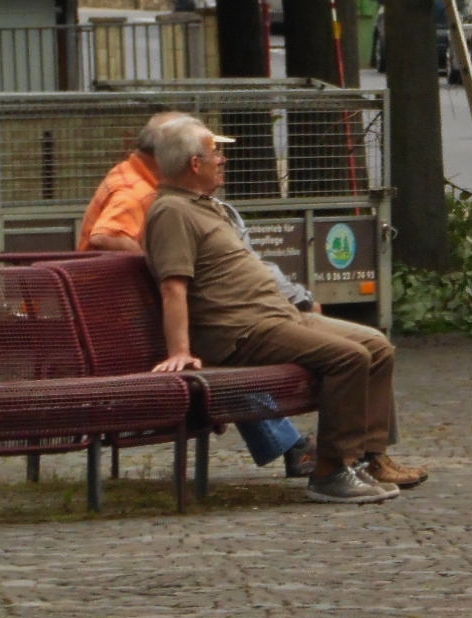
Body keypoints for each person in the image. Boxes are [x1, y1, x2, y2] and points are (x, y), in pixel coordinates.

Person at [143, 116, 426, 504]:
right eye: (216, 153)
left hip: (276, 315)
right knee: (349, 358)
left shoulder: (206, 206)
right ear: (195, 164)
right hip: (243, 329)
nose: (222, 160)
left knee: (376, 345)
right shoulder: (172, 212)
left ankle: (365, 459)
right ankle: (330, 472)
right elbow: (173, 286)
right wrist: (180, 351)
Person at [79, 112, 314, 477]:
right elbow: (104, 235)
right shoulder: (136, 190)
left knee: (226, 346)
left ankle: (293, 446)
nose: (213, 159)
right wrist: (165, 262)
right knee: (223, 352)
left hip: (137, 310)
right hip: (122, 322)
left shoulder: (145, 180)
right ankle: (293, 448)